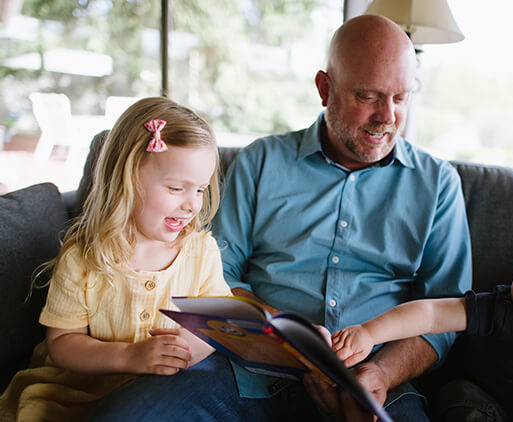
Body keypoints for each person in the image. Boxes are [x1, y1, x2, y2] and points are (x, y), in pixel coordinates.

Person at [88, 14, 472, 421]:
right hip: (242, 372)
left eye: (400, 98)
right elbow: (217, 274)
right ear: (325, 89)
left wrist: (381, 372)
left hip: (377, 385)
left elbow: (445, 315)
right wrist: (280, 328)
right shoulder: (261, 162)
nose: (388, 116)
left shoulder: (438, 185)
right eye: (368, 97)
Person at [0, 97, 231, 421]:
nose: (192, 205)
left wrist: (194, 346)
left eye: (200, 189)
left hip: (158, 395)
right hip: (74, 391)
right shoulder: (84, 257)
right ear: (127, 180)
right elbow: (63, 342)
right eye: (177, 188)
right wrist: (130, 356)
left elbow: (218, 322)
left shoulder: (200, 252)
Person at [332, 198, 513, 422]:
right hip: (480, 406)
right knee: (462, 397)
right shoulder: (501, 310)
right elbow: (432, 314)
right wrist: (369, 332)